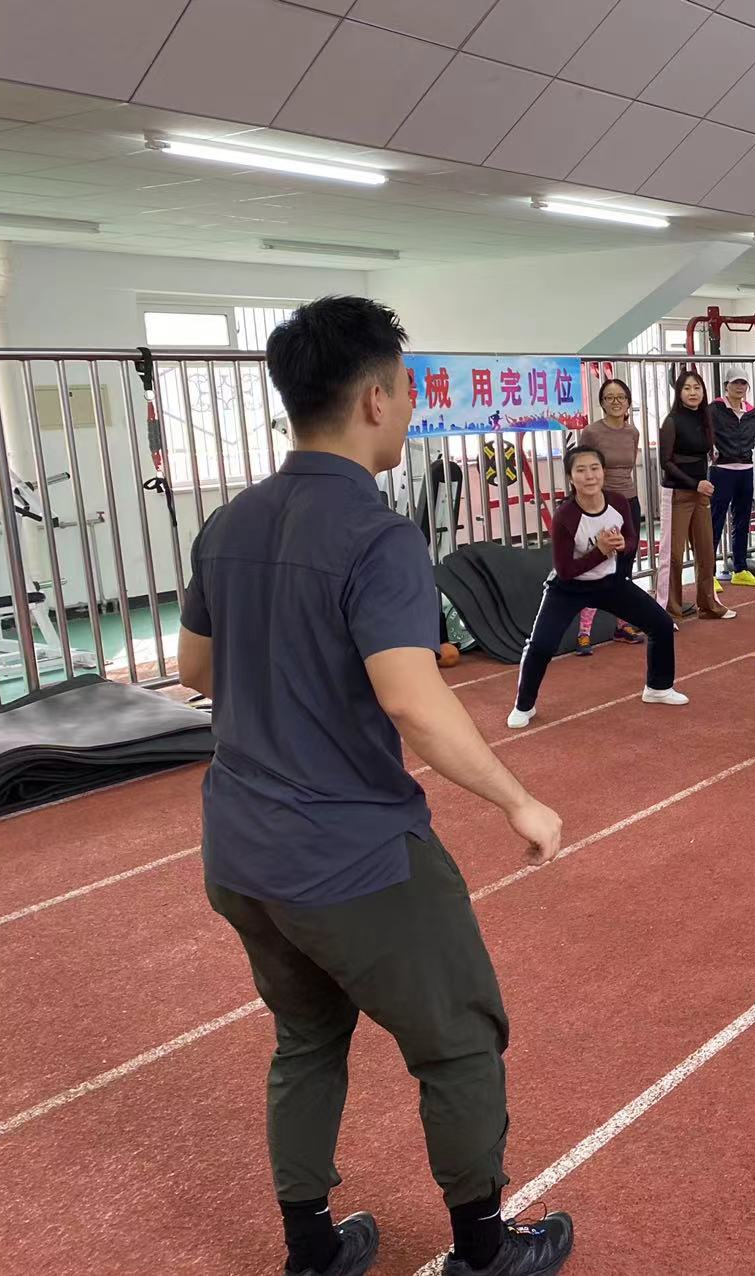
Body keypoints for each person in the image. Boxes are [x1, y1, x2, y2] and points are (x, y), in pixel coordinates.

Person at [177, 297, 574, 1276]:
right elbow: (413, 701)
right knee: (459, 1038)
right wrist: (517, 799)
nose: (409, 405)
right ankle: (483, 1251)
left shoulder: (226, 523)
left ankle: (312, 1248)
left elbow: (196, 670)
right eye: (404, 387)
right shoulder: (376, 534)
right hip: (351, 857)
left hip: (239, 852)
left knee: (306, 1038)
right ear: (370, 399)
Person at [509, 446, 685, 727]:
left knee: (661, 624)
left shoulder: (618, 502)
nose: (589, 476)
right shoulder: (565, 516)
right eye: (581, 470)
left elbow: (630, 540)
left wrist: (622, 545)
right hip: (568, 588)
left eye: (594, 468)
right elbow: (565, 570)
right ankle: (524, 706)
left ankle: (658, 688)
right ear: (571, 478)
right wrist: (601, 551)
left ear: (603, 472)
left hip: (609, 583)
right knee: (541, 645)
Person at [571, 378, 645, 655]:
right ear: (601, 402)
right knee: (598, 565)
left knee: (625, 564)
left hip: (629, 502)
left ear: (628, 402)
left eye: (621, 397)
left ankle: (621, 625)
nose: (616, 402)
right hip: (601, 505)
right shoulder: (591, 432)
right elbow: (580, 467)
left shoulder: (633, 432)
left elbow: (628, 467)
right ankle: (584, 632)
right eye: (609, 397)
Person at [657, 369, 734, 622]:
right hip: (677, 494)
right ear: (679, 393)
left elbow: (704, 453)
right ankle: (669, 612)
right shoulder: (671, 421)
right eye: (687, 388)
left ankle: (708, 605)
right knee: (673, 556)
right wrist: (694, 484)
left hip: (701, 494)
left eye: (697, 387)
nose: (693, 392)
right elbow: (665, 462)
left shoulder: (704, 418)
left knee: (706, 551)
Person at [709, 368, 755, 587]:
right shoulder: (715, 409)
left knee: (742, 521)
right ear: (726, 385)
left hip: (746, 471)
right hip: (721, 471)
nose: (739, 387)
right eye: (735, 383)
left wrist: (750, 443)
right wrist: (712, 449)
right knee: (715, 521)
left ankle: (740, 569)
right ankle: (708, 575)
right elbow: (702, 431)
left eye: (743, 383)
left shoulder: (751, 412)